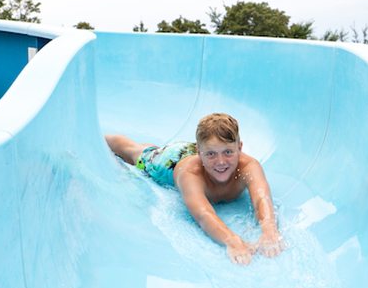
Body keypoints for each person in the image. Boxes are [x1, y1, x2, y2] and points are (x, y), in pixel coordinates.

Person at [104, 113, 284, 265]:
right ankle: (108, 138)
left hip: (200, 148)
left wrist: (269, 229)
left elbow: (261, 199)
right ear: (199, 153)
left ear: (240, 148)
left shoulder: (249, 166)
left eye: (228, 152)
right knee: (135, 153)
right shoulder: (191, 173)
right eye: (212, 154)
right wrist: (232, 240)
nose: (221, 162)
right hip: (171, 161)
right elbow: (204, 214)